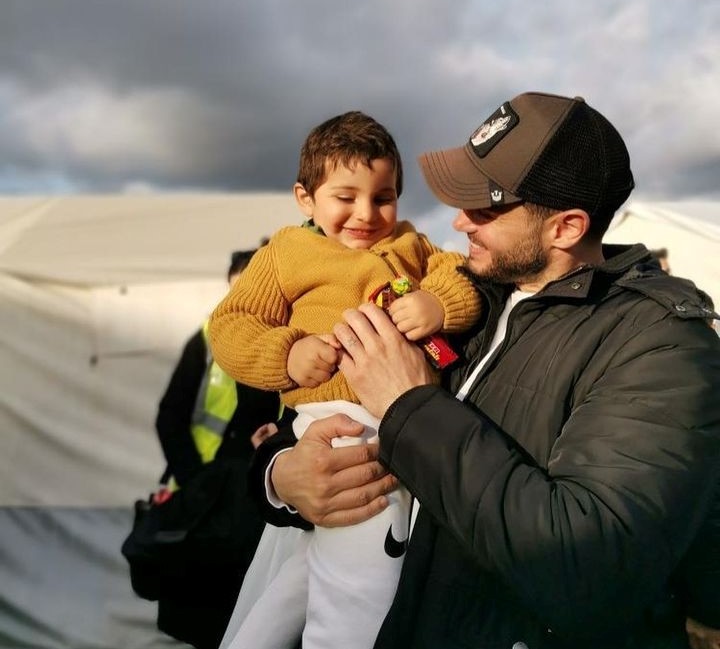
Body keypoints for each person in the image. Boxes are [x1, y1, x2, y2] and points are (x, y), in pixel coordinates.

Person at [255, 92, 720, 649]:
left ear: (566, 228)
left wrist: (410, 407)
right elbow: (330, 414)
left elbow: (586, 566)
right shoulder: (464, 298)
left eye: (486, 206)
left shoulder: (661, 345)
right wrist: (281, 475)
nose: (458, 221)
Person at [208, 111, 483, 649]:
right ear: (305, 198)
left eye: (383, 197)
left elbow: (458, 275)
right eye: (345, 196)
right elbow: (231, 324)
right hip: (341, 430)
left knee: (306, 578)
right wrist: (286, 355)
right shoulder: (286, 253)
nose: (366, 213)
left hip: (398, 418)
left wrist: (437, 305)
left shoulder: (413, 244)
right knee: (360, 588)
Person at [155, 247, 284, 649]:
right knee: (201, 621)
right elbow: (170, 417)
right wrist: (198, 484)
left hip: (262, 509)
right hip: (206, 505)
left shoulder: (292, 340)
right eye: (234, 294)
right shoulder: (209, 338)